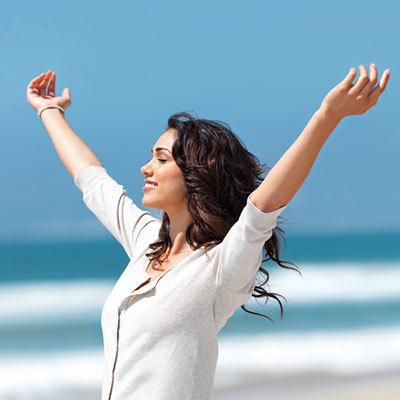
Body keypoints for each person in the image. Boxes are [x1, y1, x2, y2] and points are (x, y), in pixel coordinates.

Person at [26, 64, 390, 400]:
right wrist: (49, 110)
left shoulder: (220, 267)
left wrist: (327, 117)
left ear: (195, 176)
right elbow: (93, 181)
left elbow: (262, 206)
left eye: (161, 159)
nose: (145, 167)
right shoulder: (147, 245)